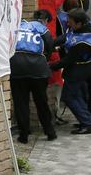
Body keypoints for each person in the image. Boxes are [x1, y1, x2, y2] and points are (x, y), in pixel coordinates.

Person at [50, 8, 91, 134]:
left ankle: (88, 124)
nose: (68, 23)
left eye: (70, 22)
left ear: (79, 23)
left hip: (87, 66)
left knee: (69, 96)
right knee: (77, 94)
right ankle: (86, 121)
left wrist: (49, 66)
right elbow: (67, 37)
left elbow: (67, 61)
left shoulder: (83, 42)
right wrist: (49, 43)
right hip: (84, 65)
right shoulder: (87, 27)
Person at [10, 10, 57, 143]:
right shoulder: (43, 29)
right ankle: (50, 132)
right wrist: (43, 60)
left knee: (21, 103)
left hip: (16, 67)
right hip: (38, 69)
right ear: (45, 20)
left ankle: (23, 135)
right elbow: (50, 48)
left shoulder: (17, 27)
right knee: (41, 101)